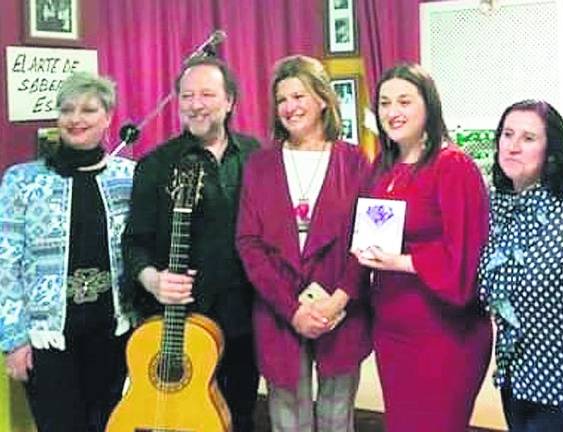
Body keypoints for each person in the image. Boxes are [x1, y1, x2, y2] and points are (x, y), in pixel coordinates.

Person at [121, 56, 260, 432]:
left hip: (243, 317)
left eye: (207, 94)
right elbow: (133, 243)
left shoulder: (259, 158)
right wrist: (152, 279)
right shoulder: (155, 164)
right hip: (174, 323)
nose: (195, 104)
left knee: (239, 416)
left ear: (230, 100)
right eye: (187, 96)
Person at [351, 63, 492, 431]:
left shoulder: (454, 167)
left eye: (404, 101)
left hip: (443, 332)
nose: (392, 112)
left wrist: (400, 262)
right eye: (384, 103)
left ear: (428, 106)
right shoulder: (383, 165)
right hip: (392, 327)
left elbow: (465, 258)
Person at [236, 55, 371, 432]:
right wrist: (292, 309)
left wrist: (339, 298)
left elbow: (367, 239)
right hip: (280, 311)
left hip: (340, 309)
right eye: (282, 100)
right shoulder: (259, 165)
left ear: (323, 100)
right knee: (287, 418)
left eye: (299, 96)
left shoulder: (355, 161)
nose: (289, 107)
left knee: (336, 415)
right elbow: (249, 242)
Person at [0, 72, 134, 432]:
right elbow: (4, 264)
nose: (76, 119)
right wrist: (13, 341)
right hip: (48, 341)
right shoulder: (21, 180)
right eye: (67, 109)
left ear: (108, 117)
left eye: (89, 109)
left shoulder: (130, 177)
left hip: (115, 334)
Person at [477, 100, 563, 431]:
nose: (514, 147)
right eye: (507, 135)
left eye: (528, 138)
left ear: (552, 150)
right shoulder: (495, 207)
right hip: (515, 380)